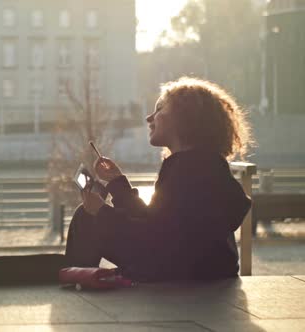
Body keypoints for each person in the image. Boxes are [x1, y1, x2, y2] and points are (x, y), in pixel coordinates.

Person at [66, 77, 254, 282]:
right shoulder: (199, 166)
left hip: (178, 274)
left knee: (87, 218)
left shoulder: (188, 171)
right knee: (90, 216)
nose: (149, 118)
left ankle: (75, 287)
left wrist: (101, 212)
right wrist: (117, 182)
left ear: (184, 117)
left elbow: (153, 239)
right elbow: (157, 224)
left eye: (159, 109)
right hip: (194, 269)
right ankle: (78, 281)